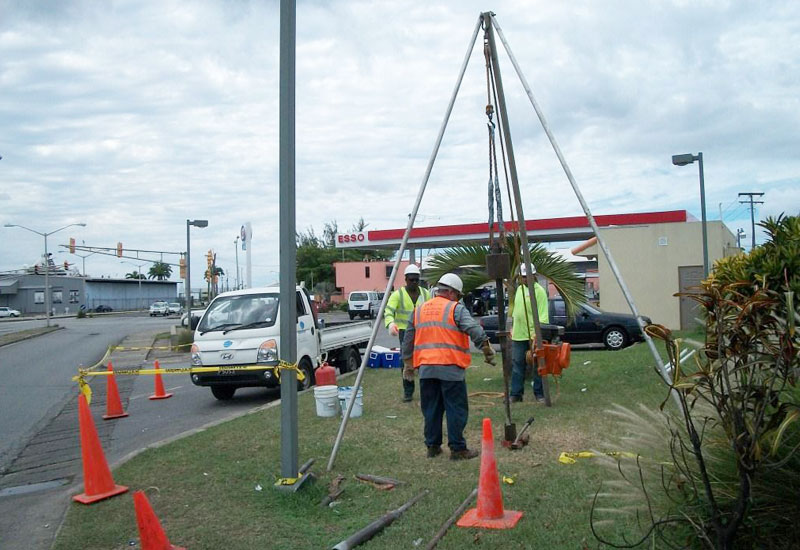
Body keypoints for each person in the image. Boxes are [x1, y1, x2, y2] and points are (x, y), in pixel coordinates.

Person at [402, 273, 496, 460]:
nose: (459, 299)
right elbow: (474, 329)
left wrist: (407, 364)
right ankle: (458, 449)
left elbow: (408, 340)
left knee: (431, 410)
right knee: (455, 409)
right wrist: (486, 349)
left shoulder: (419, 310)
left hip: (427, 369)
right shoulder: (455, 309)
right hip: (451, 368)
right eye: (459, 295)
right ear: (452, 293)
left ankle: (433, 446)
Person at [385, 264, 431, 402]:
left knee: (425, 360)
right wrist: (391, 324)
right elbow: (388, 311)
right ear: (406, 279)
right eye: (411, 280)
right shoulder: (397, 294)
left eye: (417, 280)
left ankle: (427, 391)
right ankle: (408, 392)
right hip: (404, 331)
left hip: (423, 330)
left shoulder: (425, 293)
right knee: (406, 361)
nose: (414, 282)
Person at [509, 263, 549, 402]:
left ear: (534, 276)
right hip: (518, 335)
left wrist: (536, 335)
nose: (525, 279)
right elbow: (516, 312)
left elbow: (543, 317)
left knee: (538, 363)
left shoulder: (539, 292)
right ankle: (516, 394)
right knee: (517, 363)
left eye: (527, 277)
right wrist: (513, 327)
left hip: (533, 335)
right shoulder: (519, 289)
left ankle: (539, 393)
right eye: (523, 277)